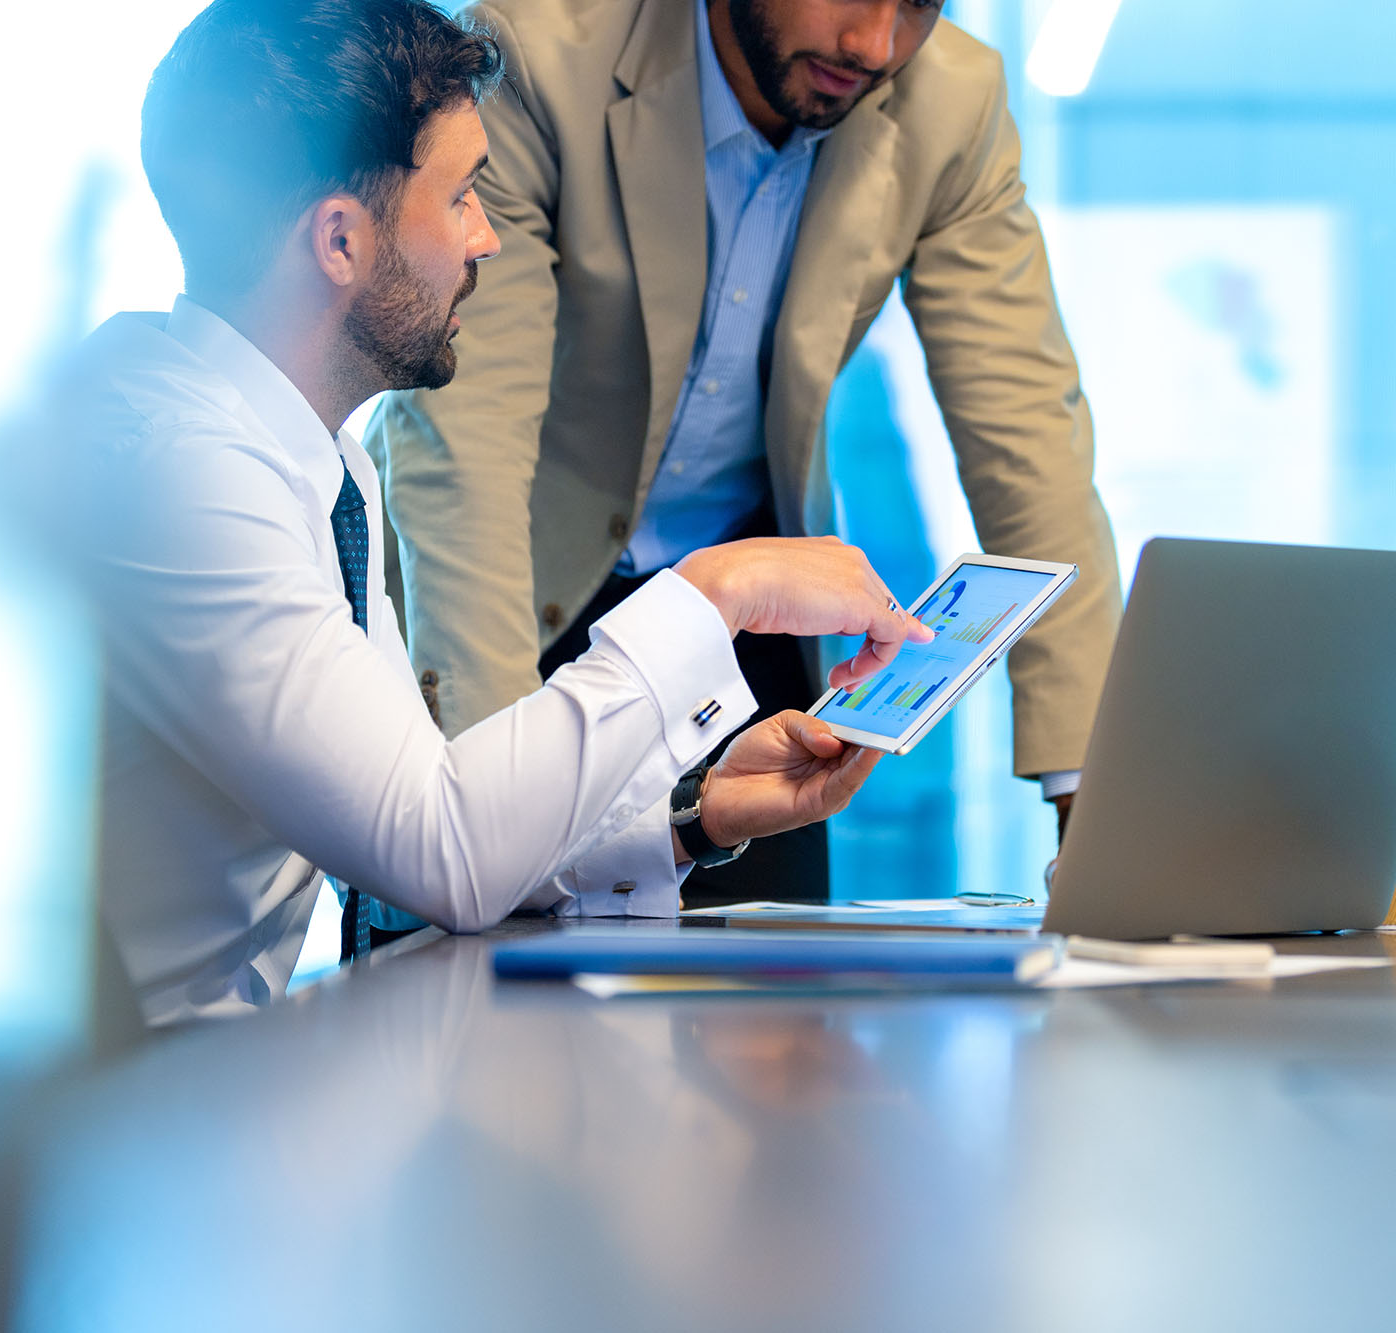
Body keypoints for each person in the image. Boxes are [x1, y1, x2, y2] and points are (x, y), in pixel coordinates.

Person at [3, 0, 930, 1025]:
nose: (485, 238)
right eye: (460, 197)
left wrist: (691, 821)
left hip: (214, 1085)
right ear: (341, 240)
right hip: (119, 1120)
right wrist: (716, 589)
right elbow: (436, 847)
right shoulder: (178, 475)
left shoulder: (314, 462)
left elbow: (417, 808)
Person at [366, 0, 1123, 907]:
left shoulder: (950, 99)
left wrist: (1101, 804)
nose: (876, 46)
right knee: (483, 995)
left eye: (920, 4)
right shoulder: (537, 54)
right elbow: (466, 452)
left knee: (776, 1023)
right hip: (512, 602)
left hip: (745, 621)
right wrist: (483, 826)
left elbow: (1029, 433)